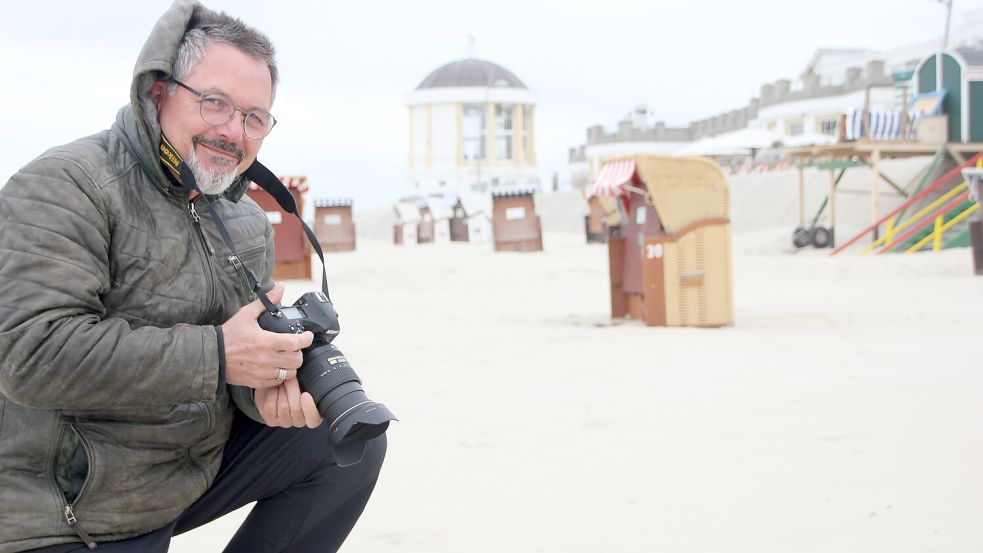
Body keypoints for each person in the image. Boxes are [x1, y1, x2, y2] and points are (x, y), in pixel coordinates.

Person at [0, 1, 387, 551]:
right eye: (215, 103)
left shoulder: (244, 219)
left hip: (185, 470)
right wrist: (221, 356)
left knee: (344, 436)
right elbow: (29, 356)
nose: (234, 131)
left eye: (255, 117)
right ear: (158, 92)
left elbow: (235, 363)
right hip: (73, 505)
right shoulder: (65, 186)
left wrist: (269, 386)